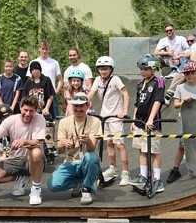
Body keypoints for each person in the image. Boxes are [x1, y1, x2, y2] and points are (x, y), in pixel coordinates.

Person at [0, 96, 47, 205]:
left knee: (36, 152)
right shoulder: (10, 120)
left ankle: (36, 190)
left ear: (36, 111)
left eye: (31, 111)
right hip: (14, 159)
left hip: (32, 160)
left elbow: (39, 142)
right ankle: (19, 176)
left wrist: (24, 142)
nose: (28, 114)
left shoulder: (40, 119)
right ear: (20, 108)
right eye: (25, 110)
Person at [48, 93, 102, 205]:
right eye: (76, 106)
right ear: (71, 107)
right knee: (53, 185)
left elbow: (92, 149)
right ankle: (79, 182)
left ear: (88, 106)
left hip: (86, 160)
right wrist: (63, 144)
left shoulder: (95, 121)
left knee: (91, 157)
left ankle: (87, 189)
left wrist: (87, 141)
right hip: (70, 161)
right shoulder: (63, 122)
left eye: (81, 106)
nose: (78, 109)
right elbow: (59, 151)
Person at [87, 56, 131, 187]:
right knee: (109, 143)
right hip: (104, 116)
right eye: (100, 69)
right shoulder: (97, 80)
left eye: (105, 68)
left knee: (120, 145)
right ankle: (113, 168)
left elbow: (126, 94)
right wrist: (85, 104)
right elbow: (91, 94)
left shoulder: (115, 79)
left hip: (115, 117)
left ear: (111, 69)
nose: (103, 71)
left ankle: (125, 173)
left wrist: (124, 111)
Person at [130, 54, 167, 194]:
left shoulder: (159, 81)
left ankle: (157, 180)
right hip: (139, 123)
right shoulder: (140, 84)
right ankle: (143, 176)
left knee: (154, 151)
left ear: (153, 68)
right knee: (141, 150)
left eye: (145, 68)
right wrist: (134, 120)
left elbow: (158, 101)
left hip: (152, 123)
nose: (142, 71)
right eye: (141, 68)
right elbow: (137, 104)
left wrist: (151, 119)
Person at [29, 40, 62, 118]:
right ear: (39, 49)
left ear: (49, 50)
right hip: (36, 96)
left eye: (46, 49)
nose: (44, 51)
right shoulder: (33, 62)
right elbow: (30, 79)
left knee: (52, 119)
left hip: (51, 96)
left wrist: (55, 92)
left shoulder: (54, 63)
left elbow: (60, 80)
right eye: (43, 48)